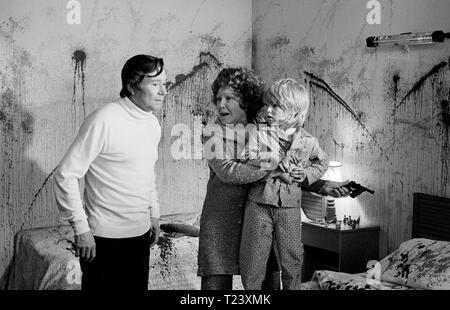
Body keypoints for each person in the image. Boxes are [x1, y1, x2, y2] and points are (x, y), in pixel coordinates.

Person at [198, 69, 349, 290]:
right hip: (223, 224)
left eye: (229, 98)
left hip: (263, 219)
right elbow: (228, 172)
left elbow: (287, 172)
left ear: (246, 100)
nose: (221, 104)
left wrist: (323, 185)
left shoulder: (268, 129)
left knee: (269, 285)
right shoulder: (212, 133)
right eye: (218, 98)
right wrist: (272, 166)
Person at [53, 54, 167, 290]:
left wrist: (153, 212)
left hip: (140, 234)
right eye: (155, 84)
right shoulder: (104, 119)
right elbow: (66, 174)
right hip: (103, 240)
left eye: (164, 84)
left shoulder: (152, 123)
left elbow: (147, 172)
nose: (163, 91)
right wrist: (81, 228)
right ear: (131, 85)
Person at [239, 78, 329, 290]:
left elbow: (322, 162)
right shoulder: (260, 133)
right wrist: (275, 160)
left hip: (289, 207)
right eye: (267, 104)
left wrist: (305, 174)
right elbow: (246, 156)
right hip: (259, 204)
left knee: (292, 259)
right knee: (253, 261)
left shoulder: (308, 141)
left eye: (275, 106)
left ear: (294, 111)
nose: (267, 110)